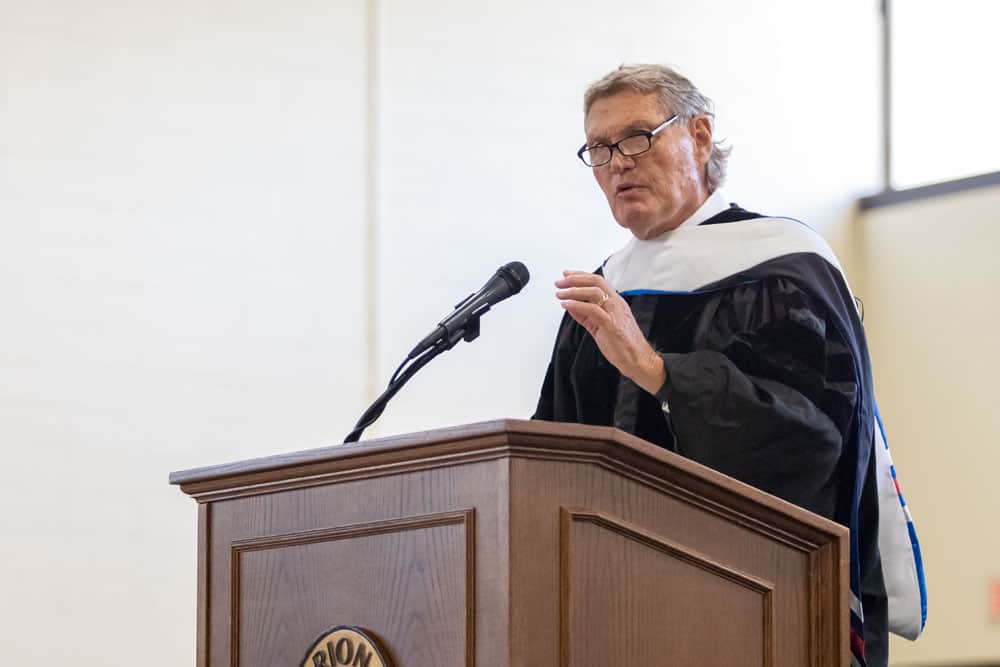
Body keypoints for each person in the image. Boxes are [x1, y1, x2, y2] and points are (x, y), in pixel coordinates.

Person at [533, 64, 926, 667]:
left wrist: (658, 372)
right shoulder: (605, 294)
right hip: (616, 612)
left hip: (759, 610)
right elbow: (556, 457)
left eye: (638, 136)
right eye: (600, 148)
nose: (618, 162)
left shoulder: (783, 268)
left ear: (699, 136)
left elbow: (808, 437)